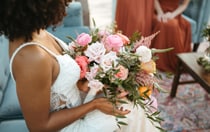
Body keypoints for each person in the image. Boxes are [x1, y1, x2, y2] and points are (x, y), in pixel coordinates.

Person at [0, 0, 160, 131]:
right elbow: (40, 127)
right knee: (133, 112)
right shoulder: (30, 58)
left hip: (78, 107)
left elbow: (55, 83)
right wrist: (94, 105)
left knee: (130, 103)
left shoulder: (36, 31)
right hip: (70, 127)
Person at [151, 0, 192, 73]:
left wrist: (172, 15)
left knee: (172, 25)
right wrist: (160, 13)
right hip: (156, 11)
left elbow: (184, 5)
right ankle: (155, 59)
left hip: (173, 13)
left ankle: (173, 61)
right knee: (164, 24)